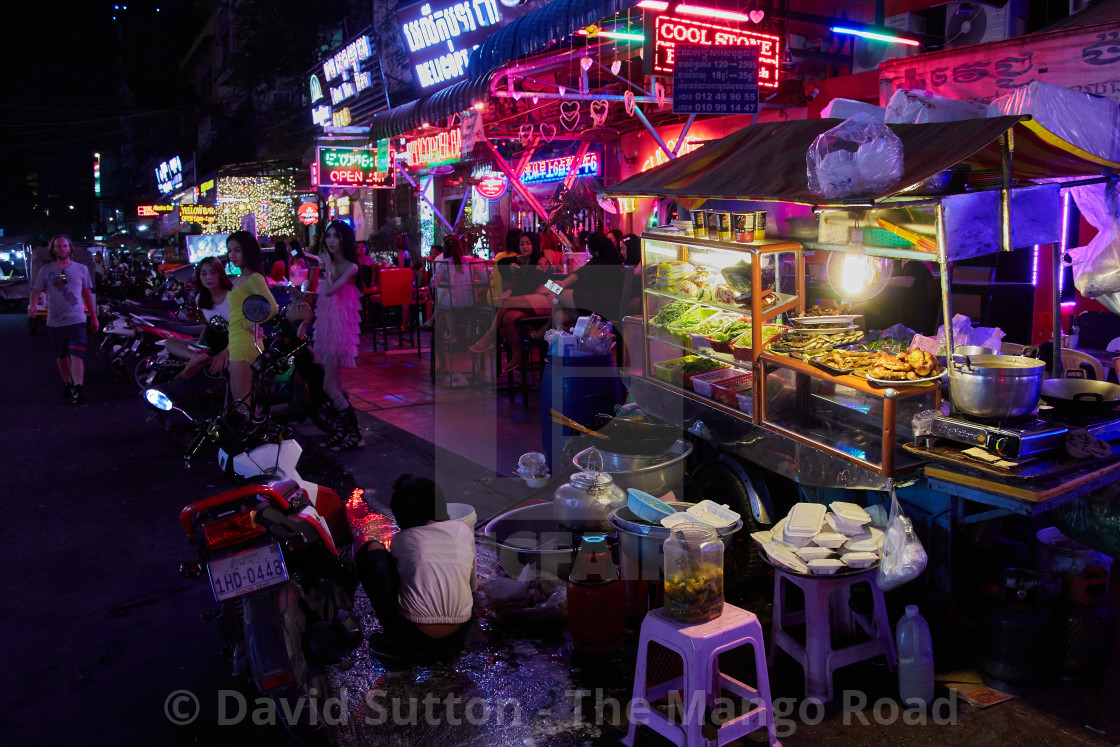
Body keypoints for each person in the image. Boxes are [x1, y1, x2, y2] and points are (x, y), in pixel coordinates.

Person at [355, 474, 476, 662]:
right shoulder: (463, 530)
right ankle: (450, 649)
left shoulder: (402, 539)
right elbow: (472, 587)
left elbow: (398, 581)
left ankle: (394, 643)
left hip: (415, 635)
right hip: (460, 631)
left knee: (370, 551)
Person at [469, 231, 554, 374]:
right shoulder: (524, 259)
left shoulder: (541, 261)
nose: (525, 246)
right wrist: (512, 265)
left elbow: (533, 284)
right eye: (522, 244)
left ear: (535, 244)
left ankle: (490, 336)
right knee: (508, 318)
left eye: (528, 243)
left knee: (507, 301)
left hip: (544, 296)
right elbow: (502, 262)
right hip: (530, 298)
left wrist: (511, 291)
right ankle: (517, 356)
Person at [314, 219, 365, 451]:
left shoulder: (350, 267)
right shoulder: (331, 265)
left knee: (329, 386)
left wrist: (326, 268)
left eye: (336, 236)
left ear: (345, 239)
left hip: (339, 331)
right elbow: (321, 295)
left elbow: (330, 290)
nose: (331, 241)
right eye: (329, 236)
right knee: (332, 383)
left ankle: (354, 435)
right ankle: (343, 432)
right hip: (326, 328)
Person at [29, 234, 98, 405]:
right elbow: (36, 291)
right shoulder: (46, 270)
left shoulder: (81, 269)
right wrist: (33, 306)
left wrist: (94, 317)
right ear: (53, 249)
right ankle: (68, 383)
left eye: (65, 246)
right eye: (58, 246)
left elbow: (86, 293)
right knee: (61, 356)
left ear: (70, 248)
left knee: (76, 354)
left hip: (77, 320)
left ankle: (79, 387)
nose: (62, 249)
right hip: (55, 321)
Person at [225, 231, 278, 420]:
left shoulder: (255, 278)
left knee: (244, 403)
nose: (232, 255)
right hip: (237, 341)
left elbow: (271, 307)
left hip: (247, 344)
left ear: (248, 251)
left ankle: (254, 443)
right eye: (230, 251)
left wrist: (248, 323)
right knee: (239, 401)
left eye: (237, 250)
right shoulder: (240, 278)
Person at [163, 257, 232, 385]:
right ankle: (198, 358)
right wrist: (199, 347)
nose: (208, 277)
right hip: (211, 345)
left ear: (220, 274)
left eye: (213, 273)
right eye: (204, 273)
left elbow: (242, 332)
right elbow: (207, 325)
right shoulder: (200, 298)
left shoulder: (232, 296)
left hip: (233, 345)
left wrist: (223, 354)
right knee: (169, 342)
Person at [429, 235, 486, 372]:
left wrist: (443, 282)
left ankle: (442, 364)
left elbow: (434, 284)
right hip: (469, 305)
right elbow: (484, 278)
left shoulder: (443, 265)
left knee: (437, 331)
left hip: (451, 306)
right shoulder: (469, 263)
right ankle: (480, 366)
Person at [550, 231, 627, 323]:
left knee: (558, 294)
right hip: (606, 306)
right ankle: (553, 331)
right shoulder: (609, 260)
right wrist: (564, 283)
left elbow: (584, 286)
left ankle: (547, 330)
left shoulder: (597, 265)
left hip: (598, 306)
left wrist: (561, 285)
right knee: (559, 315)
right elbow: (579, 273)